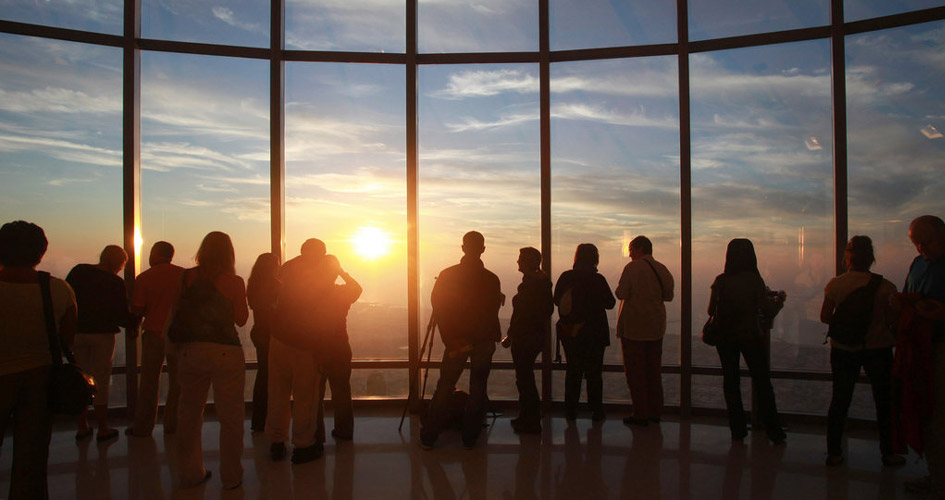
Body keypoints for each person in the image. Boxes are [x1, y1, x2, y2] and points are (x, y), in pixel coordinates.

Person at [0, 221, 77, 499]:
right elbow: (67, 339)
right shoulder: (57, 290)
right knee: (30, 462)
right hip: (40, 380)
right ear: (40, 253)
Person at [169, 231, 248, 489]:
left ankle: (190, 473)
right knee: (231, 416)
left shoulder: (186, 278)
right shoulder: (234, 282)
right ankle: (231, 476)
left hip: (191, 351)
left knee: (189, 413)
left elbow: (178, 312)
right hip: (226, 351)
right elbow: (241, 319)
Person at [820, 235, 904, 467]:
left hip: (844, 349)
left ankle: (834, 452)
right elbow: (893, 318)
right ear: (871, 258)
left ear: (847, 258)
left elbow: (825, 316)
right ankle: (888, 452)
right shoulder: (886, 287)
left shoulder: (835, 284)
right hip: (879, 349)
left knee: (840, 399)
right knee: (883, 402)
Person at [421, 231, 503, 449]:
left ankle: (430, 434)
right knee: (478, 387)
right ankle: (470, 436)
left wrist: (451, 338)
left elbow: (440, 308)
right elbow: (492, 311)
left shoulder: (448, 275)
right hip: (483, 340)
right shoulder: (492, 279)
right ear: (483, 249)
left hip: (456, 340)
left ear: (463, 248)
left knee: (445, 385)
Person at [709, 238, 786, 443]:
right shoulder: (754, 281)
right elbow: (767, 310)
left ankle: (738, 430)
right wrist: (779, 301)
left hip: (725, 337)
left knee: (731, 382)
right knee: (762, 382)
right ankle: (773, 430)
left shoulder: (721, 280)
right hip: (750, 336)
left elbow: (711, 310)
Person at [268, 239, 330, 464]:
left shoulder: (287, 269)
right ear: (319, 253)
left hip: (279, 339)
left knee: (278, 393)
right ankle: (303, 446)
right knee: (306, 397)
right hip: (306, 344)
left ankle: (276, 441)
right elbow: (323, 313)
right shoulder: (319, 274)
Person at [67, 244, 135, 443]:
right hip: (103, 335)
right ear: (120, 264)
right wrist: (134, 322)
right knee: (102, 379)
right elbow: (121, 314)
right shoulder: (115, 282)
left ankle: (82, 425)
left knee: (81, 378)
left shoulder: (79, 272)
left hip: (78, 332)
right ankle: (103, 427)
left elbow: (67, 300)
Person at [900, 215, 945, 497]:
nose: (920, 248)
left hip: (940, 347)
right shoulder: (918, 264)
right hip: (921, 349)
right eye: (916, 243)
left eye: (925, 242)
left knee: (938, 415)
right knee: (928, 413)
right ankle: (936, 475)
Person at [125, 241, 184, 438]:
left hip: (153, 334)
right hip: (177, 336)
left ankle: (143, 426)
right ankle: (173, 425)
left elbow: (137, 309)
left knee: (149, 382)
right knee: (178, 383)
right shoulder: (184, 276)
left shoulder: (144, 278)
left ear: (153, 254)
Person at [615, 235, 674, 426]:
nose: (629, 254)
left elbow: (621, 293)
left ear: (639, 249)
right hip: (656, 326)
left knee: (635, 371)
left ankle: (640, 412)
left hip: (634, 327)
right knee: (653, 371)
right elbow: (669, 296)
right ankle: (655, 411)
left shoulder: (632, 268)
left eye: (631, 249)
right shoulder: (662, 269)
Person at [554, 243, 616, 421]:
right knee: (594, 373)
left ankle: (570, 410)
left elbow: (557, 300)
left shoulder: (566, 277)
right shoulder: (598, 279)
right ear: (595, 258)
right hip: (595, 332)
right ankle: (596, 409)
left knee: (573, 370)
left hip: (571, 332)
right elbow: (610, 303)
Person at [503, 247, 553, 434]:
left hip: (525, 338)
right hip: (535, 336)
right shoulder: (543, 284)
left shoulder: (529, 286)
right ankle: (528, 416)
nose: (517, 262)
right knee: (525, 378)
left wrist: (511, 333)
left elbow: (521, 315)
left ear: (527, 262)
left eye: (520, 259)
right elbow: (546, 311)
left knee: (524, 379)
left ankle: (530, 418)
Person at [314, 254, 362, 444]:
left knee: (315, 394)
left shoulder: (312, 294)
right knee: (342, 391)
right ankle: (344, 431)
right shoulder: (341, 293)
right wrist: (342, 272)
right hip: (340, 346)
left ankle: (316, 434)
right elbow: (358, 288)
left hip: (317, 347)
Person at [247, 252, 280, 433]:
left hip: (259, 331)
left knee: (263, 375)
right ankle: (270, 418)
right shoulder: (275, 286)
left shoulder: (253, 285)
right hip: (273, 334)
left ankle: (259, 419)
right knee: (274, 377)